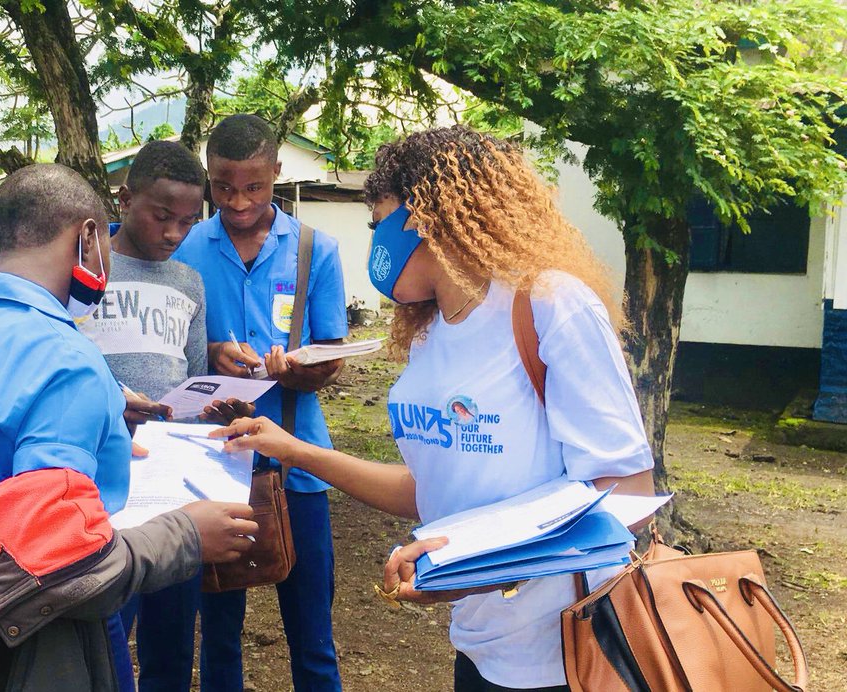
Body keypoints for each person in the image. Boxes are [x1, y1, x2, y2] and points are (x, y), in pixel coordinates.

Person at [212, 126, 656, 692]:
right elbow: (431, 487)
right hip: (479, 645)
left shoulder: (550, 304)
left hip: (569, 651)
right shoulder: (428, 336)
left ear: (426, 213)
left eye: (378, 222)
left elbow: (627, 493)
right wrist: (292, 449)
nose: (374, 239)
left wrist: (468, 568)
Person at [0, 163, 258, 691]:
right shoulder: (66, 361)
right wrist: (187, 534)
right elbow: (66, 568)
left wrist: (102, 421)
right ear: (89, 236)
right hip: (24, 645)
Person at [173, 114, 348, 692]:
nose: (238, 201)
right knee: (218, 631)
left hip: (298, 464)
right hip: (214, 464)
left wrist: (295, 370)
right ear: (208, 179)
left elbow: (332, 360)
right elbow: (175, 359)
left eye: (254, 186)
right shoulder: (188, 250)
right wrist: (212, 357)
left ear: (278, 171)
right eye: (223, 187)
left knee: (312, 635)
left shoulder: (314, 251)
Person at [76, 139, 253, 691]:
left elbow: (194, 372)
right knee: (104, 626)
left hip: (170, 472)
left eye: (186, 221)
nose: (175, 233)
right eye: (162, 216)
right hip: (100, 467)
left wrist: (218, 401)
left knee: (173, 634)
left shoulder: (187, 281)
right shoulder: (82, 268)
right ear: (124, 199)